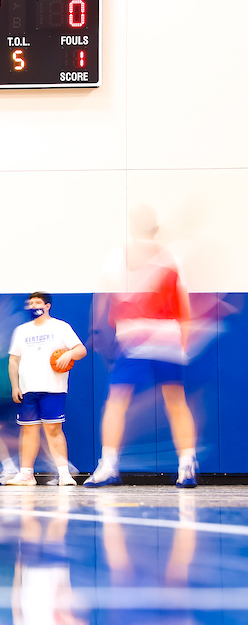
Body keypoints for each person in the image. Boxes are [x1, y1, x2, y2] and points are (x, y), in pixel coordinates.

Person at [87, 206, 197, 488]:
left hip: (134, 340)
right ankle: (187, 464)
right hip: (168, 340)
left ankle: (108, 465)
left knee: (116, 403)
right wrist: (182, 344)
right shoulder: (171, 258)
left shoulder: (118, 256)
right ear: (156, 229)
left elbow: (102, 300)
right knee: (177, 403)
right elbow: (183, 306)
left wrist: (99, 335)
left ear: (134, 228)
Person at [6, 292, 87, 487]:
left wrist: (69, 355)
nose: (33, 305)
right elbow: (14, 360)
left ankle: (64, 474)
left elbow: (81, 350)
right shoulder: (21, 330)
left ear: (47, 305)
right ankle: (26, 475)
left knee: (53, 429)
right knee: (28, 431)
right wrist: (15, 386)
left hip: (53, 388)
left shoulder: (60, 327)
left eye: (37, 302)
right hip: (27, 389)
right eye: (31, 303)